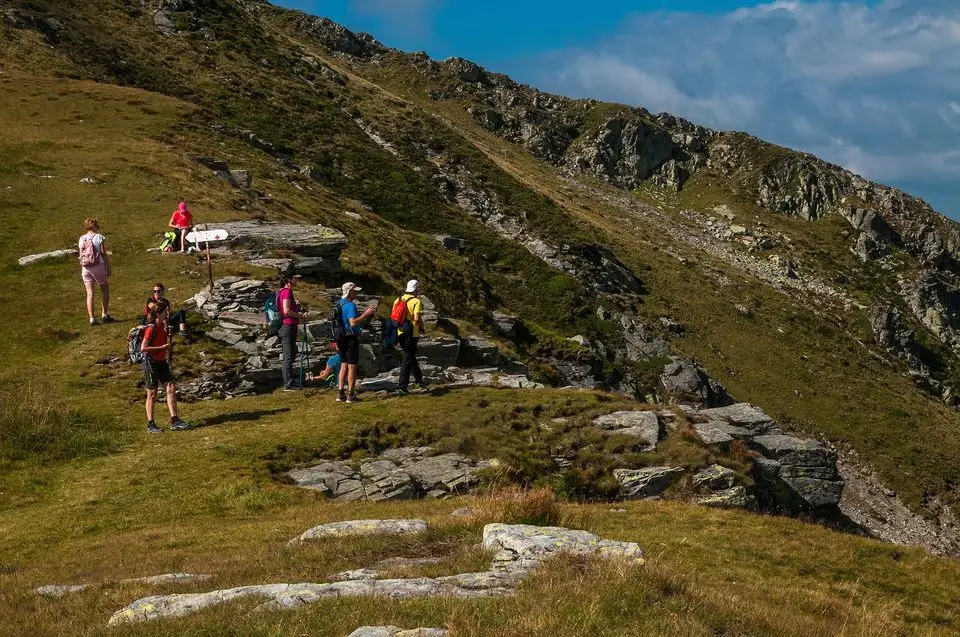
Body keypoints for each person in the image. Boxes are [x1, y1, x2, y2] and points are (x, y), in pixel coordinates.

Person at [141, 301, 193, 433]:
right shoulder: (150, 328)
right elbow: (143, 348)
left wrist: (168, 344)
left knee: (170, 388)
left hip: (161, 361)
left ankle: (174, 420)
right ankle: (150, 424)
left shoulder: (164, 326)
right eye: (165, 312)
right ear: (158, 313)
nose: (168, 314)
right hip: (150, 362)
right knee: (152, 394)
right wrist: (162, 347)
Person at [336, 281, 376, 403]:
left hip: (340, 337)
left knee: (343, 364)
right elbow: (353, 322)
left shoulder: (339, 303)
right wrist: (366, 314)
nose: (357, 293)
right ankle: (351, 395)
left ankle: (340, 393)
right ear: (350, 292)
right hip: (350, 337)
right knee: (352, 365)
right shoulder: (350, 305)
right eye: (355, 291)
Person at [395, 279, 428, 396]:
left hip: (400, 332)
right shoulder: (416, 301)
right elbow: (417, 318)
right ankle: (402, 386)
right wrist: (422, 328)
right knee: (408, 358)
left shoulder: (398, 299)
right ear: (416, 289)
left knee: (411, 356)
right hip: (411, 333)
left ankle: (419, 380)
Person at [78, 218, 113, 326]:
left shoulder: (82, 238)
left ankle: (92, 318)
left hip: (86, 267)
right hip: (98, 265)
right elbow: (102, 252)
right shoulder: (99, 237)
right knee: (104, 289)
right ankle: (104, 314)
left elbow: (80, 253)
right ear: (94, 226)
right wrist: (108, 266)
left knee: (89, 293)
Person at [277, 274, 307, 392]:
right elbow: (286, 311)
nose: (298, 280)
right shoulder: (287, 292)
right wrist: (300, 315)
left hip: (287, 326)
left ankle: (289, 381)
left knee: (290, 353)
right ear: (289, 279)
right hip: (288, 325)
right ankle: (288, 384)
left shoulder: (282, 291)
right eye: (296, 278)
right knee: (288, 355)